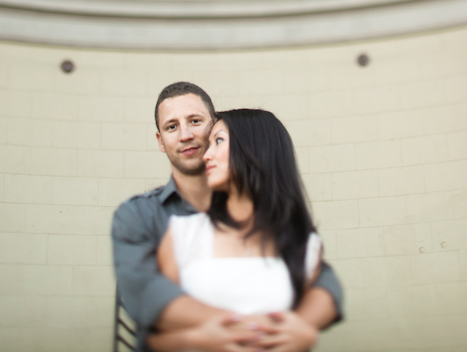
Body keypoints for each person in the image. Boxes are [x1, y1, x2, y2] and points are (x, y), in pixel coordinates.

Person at [112, 82, 343, 352]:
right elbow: (146, 295)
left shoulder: (273, 222)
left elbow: (321, 279)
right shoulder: (141, 215)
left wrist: (301, 326)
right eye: (171, 126)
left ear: (214, 126)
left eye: (195, 121)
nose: (185, 135)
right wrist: (243, 329)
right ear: (160, 141)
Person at [149, 108, 323, 351]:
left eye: (218, 141)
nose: (206, 155)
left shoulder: (306, 246)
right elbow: (155, 340)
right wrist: (198, 339)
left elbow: (297, 328)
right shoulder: (182, 234)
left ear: (256, 147)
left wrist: (304, 336)